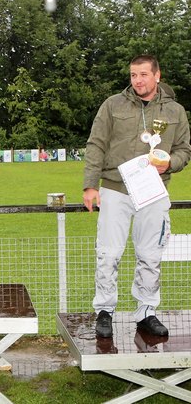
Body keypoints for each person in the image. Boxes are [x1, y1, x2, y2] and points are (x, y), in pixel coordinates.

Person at [83, 55, 191, 338]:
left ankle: (146, 311)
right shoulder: (112, 105)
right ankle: (104, 311)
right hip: (115, 189)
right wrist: (90, 185)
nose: (138, 80)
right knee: (108, 254)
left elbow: (184, 150)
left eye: (143, 74)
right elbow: (96, 144)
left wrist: (171, 163)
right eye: (133, 75)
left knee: (150, 255)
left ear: (157, 75)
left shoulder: (176, 111)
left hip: (154, 192)